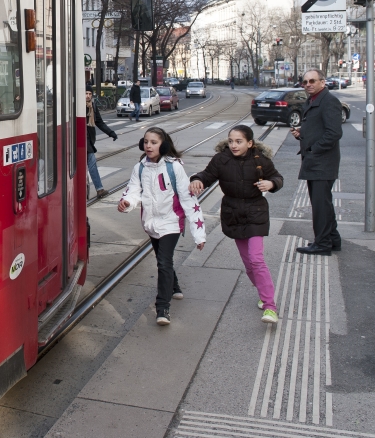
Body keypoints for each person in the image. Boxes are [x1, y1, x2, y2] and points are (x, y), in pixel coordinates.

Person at [189, 126, 283, 324]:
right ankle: (263, 293)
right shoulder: (221, 160)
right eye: (231, 140)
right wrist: (197, 180)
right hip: (234, 215)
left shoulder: (260, 160)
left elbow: (277, 177)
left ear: (249, 143)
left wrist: (271, 184)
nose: (233, 145)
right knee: (249, 263)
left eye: (238, 141)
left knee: (256, 259)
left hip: (256, 213)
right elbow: (207, 175)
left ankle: (270, 306)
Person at [117, 127, 206, 326]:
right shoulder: (139, 168)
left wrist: (199, 234)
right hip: (150, 223)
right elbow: (133, 191)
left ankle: (162, 308)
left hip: (171, 222)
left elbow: (188, 199)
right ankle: (174, 286)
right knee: (162, 259)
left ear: (163, 145)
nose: (148, 146)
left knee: (163, 262)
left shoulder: (174, 168)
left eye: (154, 142)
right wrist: (127, 203)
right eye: (146, 141)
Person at [291, 69, 342, 255]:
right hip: (316, 161)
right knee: (323, 203)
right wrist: (302, 132)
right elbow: (318, 128)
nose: (308, 85)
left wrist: (313, 149)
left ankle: (322, 244)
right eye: (305, 82)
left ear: (322, 82)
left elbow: (334, 133)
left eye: (312, 81)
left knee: (320, 206)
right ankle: (333, 239)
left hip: (322, 162)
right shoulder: (313, 100)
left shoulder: (329, 101)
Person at [86, 86, 118, 199]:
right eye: (86, 93)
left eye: (90, 93)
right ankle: (99, 189)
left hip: (89, 140)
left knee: (89, 165)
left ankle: (96, 189)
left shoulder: (93, 106)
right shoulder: (77, 106)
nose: (88, 96)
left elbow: (99, 122)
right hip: (81, 142)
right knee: (92, 163)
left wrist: (111, 133)